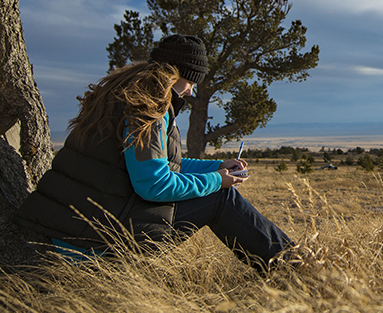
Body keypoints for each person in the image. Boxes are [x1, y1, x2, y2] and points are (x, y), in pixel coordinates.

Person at [15, 34, 293, 272]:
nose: (191, 90)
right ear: (175, 75)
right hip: (94, 243)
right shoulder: (147, 110)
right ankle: (294, 267)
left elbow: (160, 165)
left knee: (218, 191)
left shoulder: (125, 95)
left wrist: (217, 167)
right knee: (220, 198)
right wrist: (219, 181)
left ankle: (290, 263)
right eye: (190, 82)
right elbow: (154, 185)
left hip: (70, 229)